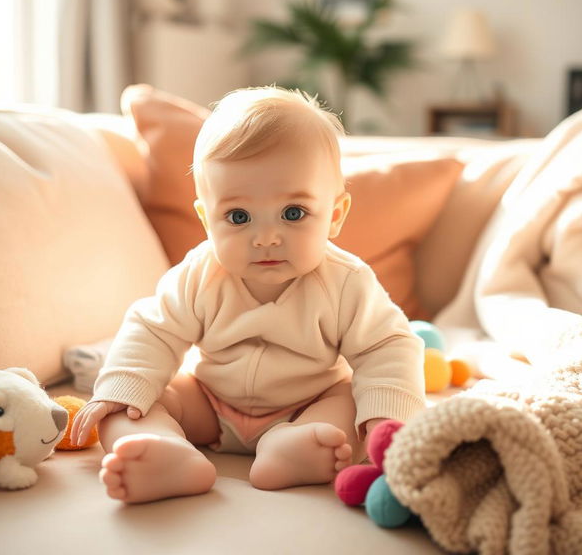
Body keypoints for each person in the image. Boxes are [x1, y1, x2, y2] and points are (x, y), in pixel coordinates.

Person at [71, 86, 425, 504]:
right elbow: (153, 330)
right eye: (238, 217)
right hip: (209, 403)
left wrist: (386, 417)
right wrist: (120, 389)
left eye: (293, 213)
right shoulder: (199, 274)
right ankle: (167, 452)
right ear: (206, 219)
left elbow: (387, 346)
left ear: (334, 215)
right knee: (126, 413)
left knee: (350, 401)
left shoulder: (346, 282)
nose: (267, 238)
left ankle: (289, 448)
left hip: (307, 405)